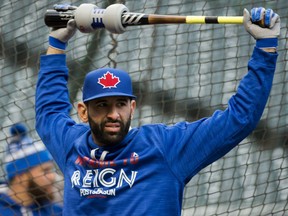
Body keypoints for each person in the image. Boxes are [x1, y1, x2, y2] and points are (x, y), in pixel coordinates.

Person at [35, 6, 280, 216]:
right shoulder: (71, 144)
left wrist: (265, 48)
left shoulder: (166, 146)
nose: (113, 114)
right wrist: (57, 43)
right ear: (83, 111)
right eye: (102, 105)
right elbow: (49, 111)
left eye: (120, 104)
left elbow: (238, 118)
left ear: (132, 107)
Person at [0, 123, 63, 215]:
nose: (52, 176)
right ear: (20, 175)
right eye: (45, 171)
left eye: (52, 170)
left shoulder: (55, 211)